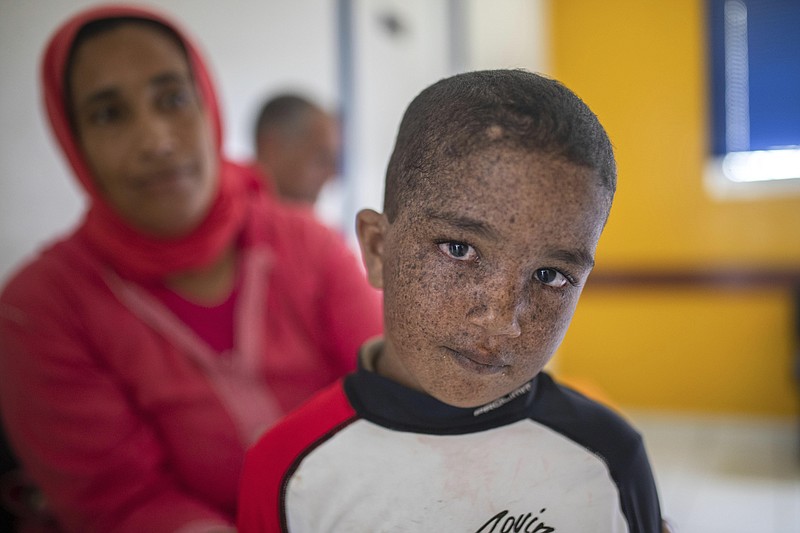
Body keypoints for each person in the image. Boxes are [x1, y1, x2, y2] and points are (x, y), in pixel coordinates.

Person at [0, 5, 382, 533]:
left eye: (173, 99)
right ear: (74, 141)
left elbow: (394, 388)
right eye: (109, 114)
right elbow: (122, 503)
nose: (156, 140)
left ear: (209, 106)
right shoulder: (40, 309)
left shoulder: (308, 245)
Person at [237, 69, 665, 533]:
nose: (501, 320)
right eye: (459, 249)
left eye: (550, 275)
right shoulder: (288, 468)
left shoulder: (608, 457)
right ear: (378, 249)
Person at [253, 94, 340, 206]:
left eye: (333, 162)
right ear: (271, 150)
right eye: (321, 160)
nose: (330, 176)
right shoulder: (231, 215)